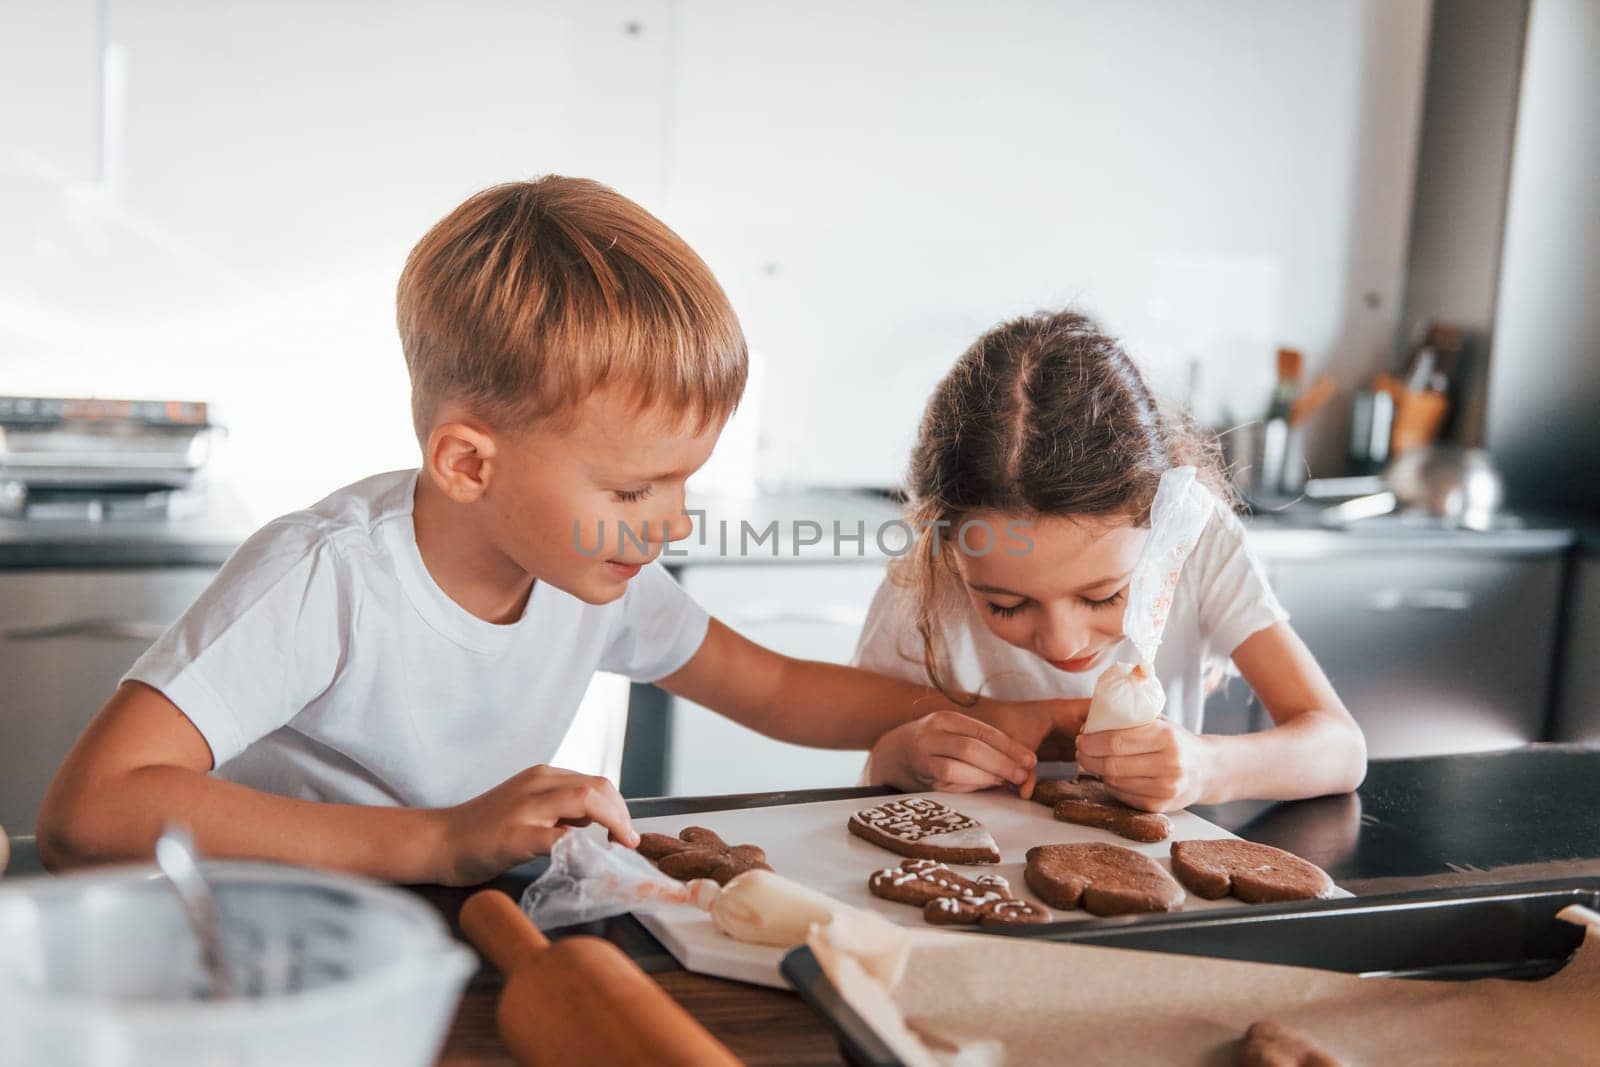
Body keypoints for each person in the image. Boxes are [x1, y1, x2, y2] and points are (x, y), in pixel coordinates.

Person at [36, 178, 1078, 883]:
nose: (667, 523)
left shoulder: (590, 572)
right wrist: (440, 839)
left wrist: (980, 712)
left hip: (448, 919)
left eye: (683, 484)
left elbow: (769, 685)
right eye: (635, 490)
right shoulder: (327, 579)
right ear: (469, 463)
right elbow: (88, 809)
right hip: (266, 940)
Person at [858, 310, 1367, 810]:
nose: (1063, 642)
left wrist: (1208, 768)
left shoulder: (1196, 536)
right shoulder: (928, 569)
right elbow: (869, 780)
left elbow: (1341, 749)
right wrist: (897, 756)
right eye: (1007, 605)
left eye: (1105, 595)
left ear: (1162, 527)